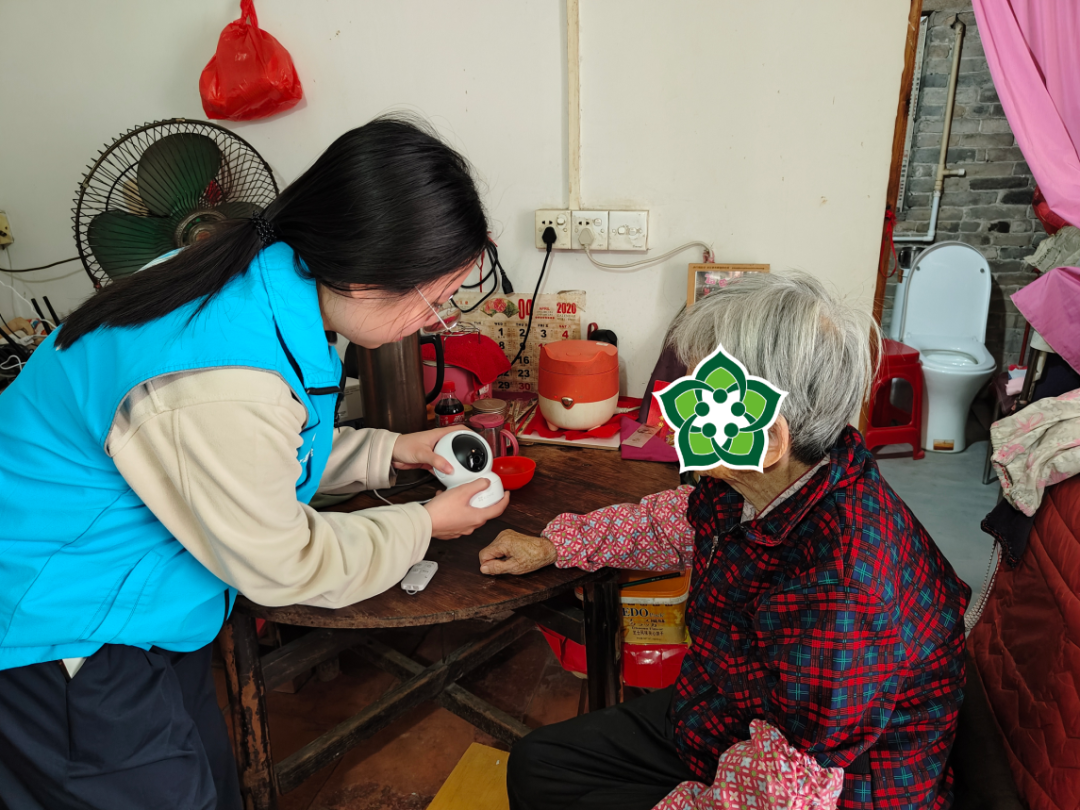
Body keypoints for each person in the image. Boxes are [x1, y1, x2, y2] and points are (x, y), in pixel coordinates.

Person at [0, 117, 509, 810]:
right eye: (436, 300)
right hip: (62, 626)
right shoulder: (218, 371)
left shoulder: (260, 277)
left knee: (210, 785)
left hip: (148, 609)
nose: (435, 320)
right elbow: (283, 561)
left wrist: (391, 451)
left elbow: (251, 453)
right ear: (367, 275)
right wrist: (425, 524)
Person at [480, 272, 971, 810]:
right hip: (728, 710)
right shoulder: (774, 476)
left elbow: (785, 786)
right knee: (538, 764)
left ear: (771, 437)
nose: (669, 422)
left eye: (694, 403)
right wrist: (556, 545)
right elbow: (679, 522)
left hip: (825, 786)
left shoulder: (842, 588)